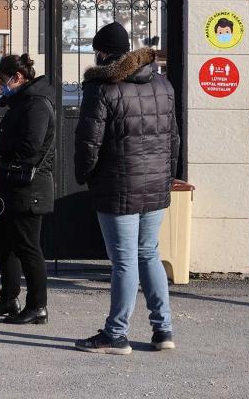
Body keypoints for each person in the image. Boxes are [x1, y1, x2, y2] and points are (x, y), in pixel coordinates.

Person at [73, 22, 179, 355]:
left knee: (124, 262)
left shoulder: (102, 88)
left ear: (103, 53)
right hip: (156, 186)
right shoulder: (163, 85)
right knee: (149, 253)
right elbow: (174, 138)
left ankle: (116, 334)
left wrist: (85, 174)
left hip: (118, 186)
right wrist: (167, 176)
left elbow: (89, 142)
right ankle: (163, 331)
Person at [0, 54, 55, 325]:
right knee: (5, 244)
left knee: (28, 247)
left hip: (29, 188)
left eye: (2, 80)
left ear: (17, 78)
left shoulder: (36, 104)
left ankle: (38, 306)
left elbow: (30, 146)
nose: (1, 86)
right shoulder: (22, 102)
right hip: (12, 186)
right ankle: (9, 299)